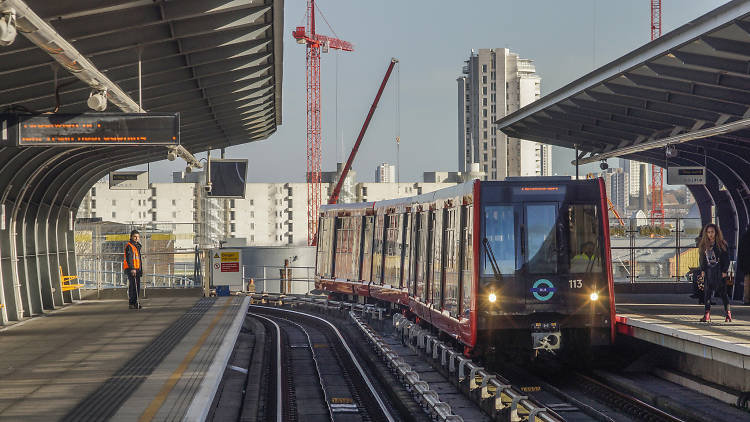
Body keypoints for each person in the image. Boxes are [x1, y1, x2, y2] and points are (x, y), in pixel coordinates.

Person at [698, 223, 731, 322]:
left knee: (723, 293)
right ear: (706, 233)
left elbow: (727, 258)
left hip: (719, 270)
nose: (710, 234)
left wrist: (725, 270)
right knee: (707, 293)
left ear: (716, 232)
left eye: (712, 232)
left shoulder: (722, 244)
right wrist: (703, 270)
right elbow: (702, 259)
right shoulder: (704, 244)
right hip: (709, 271)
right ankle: (707, 314)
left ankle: (728, 313)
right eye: (708, 232)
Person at [123, 229, 143, 310]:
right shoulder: (130, 246)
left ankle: (134, 302)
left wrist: (140, 270)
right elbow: (129, 259)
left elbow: (138, 259)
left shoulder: (136, 246)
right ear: (131, 237)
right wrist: (132, 268)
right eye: (135, 236)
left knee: (136, 286)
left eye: (138, 237)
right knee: (133, 286)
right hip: (132, 269)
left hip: (137, 269)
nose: (136, 238)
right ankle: (132, 302)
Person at [738, 229, 750, 305]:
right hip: (747, 262)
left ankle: (746, 299)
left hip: (746, 263)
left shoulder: (744, 236)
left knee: (747, 280)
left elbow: (740, 251)